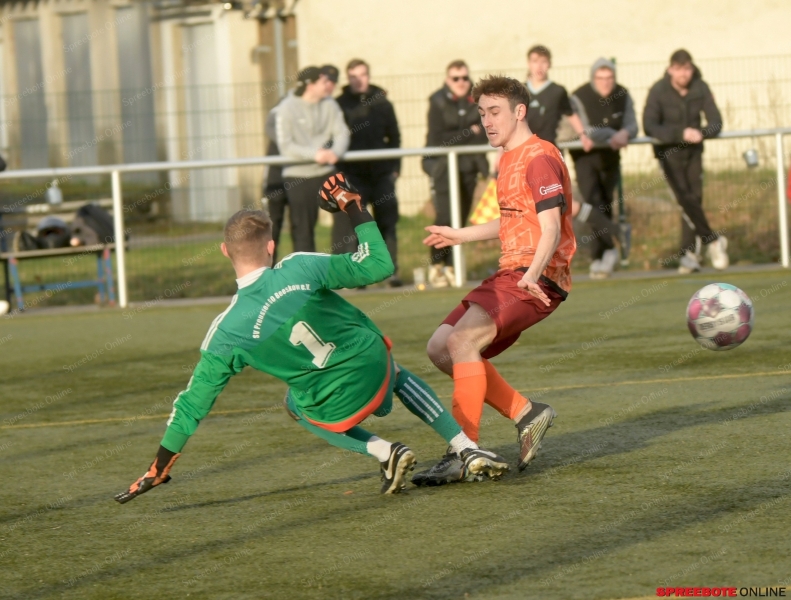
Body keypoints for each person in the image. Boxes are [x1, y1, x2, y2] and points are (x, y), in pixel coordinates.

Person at [114, 174, 508, 503]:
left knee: (295, 404)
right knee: (396, 370)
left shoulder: (226, 331)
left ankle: (385, 450)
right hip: (374, 363)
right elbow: (379, 264)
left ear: (224, 252)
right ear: (271, 246)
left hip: (334, 399)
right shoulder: (300, 265)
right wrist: (353, 207)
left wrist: (159, 466)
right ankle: (464, 446)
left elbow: (191, 406)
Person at [417, 75, 576, 486]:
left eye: (494, 112)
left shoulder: (539, 157)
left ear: (519, 112)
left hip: (536, 276)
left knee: (461, 341)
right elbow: (512, 221)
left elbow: (551, 227)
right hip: (514, 273)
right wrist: (460, 235)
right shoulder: (508, 157)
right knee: (440, 348)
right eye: (482, 113)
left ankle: (463, 450)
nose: (486, 121)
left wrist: (533, 275)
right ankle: (526, 412)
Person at [643, 49, 728, 274]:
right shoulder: (658, 90)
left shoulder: (701, 87)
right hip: (668, 154)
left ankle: (690, 254)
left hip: (694, 152)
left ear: (692, 68)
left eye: (687, 69)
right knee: (684, 199)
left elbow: (716, 121)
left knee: (694, 200)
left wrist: (702, 133)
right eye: (679, 69)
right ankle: (712, 241)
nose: (683, 74)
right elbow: (649, 125)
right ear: (671, 69)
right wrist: (680, 134)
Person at [333, 59, 402, 287]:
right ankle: (356, 276)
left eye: (362, 75)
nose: (358, 80)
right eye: (353, 76)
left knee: (387, 221)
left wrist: (395, 169)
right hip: (352, 175)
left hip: (381, 174)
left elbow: (395, 138)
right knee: (356, 224)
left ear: (368, 76)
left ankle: (391, 272)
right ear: (348, 78)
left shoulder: (382, 103)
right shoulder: (339, 105)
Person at [568, 57, 638, 278]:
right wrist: (613, 135)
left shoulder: (623, 94)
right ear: (593, 78)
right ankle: (610, 245)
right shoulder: (579, 96)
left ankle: (601, 256)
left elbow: (632, 124)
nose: (606, 82)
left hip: (610, 156)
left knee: (606, 204)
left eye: (610, 78)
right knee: (592, 202)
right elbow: (586, 129)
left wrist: (625, 133)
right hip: (585, 157)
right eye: (601, 78)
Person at [424, 60, 489, 288]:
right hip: (442, 168)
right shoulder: (437, 101)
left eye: (464, 78)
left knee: (460, 221)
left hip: (469, 168)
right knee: (445, 217)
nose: (461, 82)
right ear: (447, 80)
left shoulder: (477, 101)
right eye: (455, 78)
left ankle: (452, 267)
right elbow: (437, 139)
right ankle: (436, 265)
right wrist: (468, 132)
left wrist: (464, 135)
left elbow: (484, 135)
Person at [276, 67, 350, 253]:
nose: (328, 85)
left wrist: (335, 152)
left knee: (348, 211)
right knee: (303, 228)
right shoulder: (286, 108)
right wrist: (314, 154)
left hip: (326, 170)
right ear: (310, 85)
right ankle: (308, 270)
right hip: (297, 174)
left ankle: (341, 265)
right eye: (323, 82)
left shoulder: (330, 104)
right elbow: (286, 145)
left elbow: (342, 132)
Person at [524, 45, 574, 147]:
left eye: (543, 61)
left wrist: (584, 136)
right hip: (524, 147)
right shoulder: (520, 91)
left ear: (549, 64)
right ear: (529, 64)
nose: (539, 66)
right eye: (535, 61)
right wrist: (502, 150)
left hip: (549, 147)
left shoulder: (558, 91)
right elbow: (510, 121)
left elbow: (570, 114)